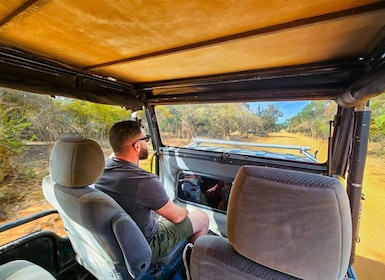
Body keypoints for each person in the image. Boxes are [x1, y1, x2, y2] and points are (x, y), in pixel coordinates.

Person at [95, 120, 209, 261]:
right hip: (145, 245)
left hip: (114, 241)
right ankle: (193, 264)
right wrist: (186, 210)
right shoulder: (143, 180)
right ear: (137, 146)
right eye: (145, 139)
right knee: (202, 218)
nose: (147, 143)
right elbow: (177, 217)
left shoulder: (100, 169)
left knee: (160, 215)